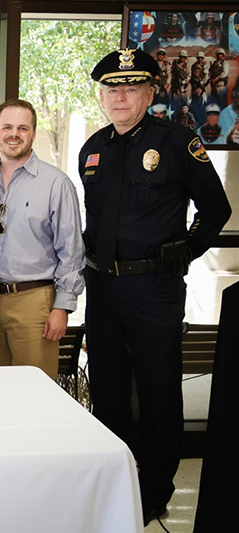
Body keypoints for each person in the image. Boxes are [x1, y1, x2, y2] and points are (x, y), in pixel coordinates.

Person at [80, 48, 231, 526]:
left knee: (158, 391)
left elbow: (216, 210)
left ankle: (154, 490)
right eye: (111, 89)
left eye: (130, 89)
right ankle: (112, 479)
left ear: (148, 93)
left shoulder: (177, 142)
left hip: (154, 290)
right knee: (106, 392)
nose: (119, 98)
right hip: (102, 288)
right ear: (102, 96)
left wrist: (182, 252)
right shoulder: (93, 147)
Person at [0, 99, 84, 379]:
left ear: (34, 133)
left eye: (23, 128)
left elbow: (70, 251)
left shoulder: (56, 184)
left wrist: (62, 307)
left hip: (34, 301)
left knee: (35, 392)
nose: (14, 134)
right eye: (7, 127)